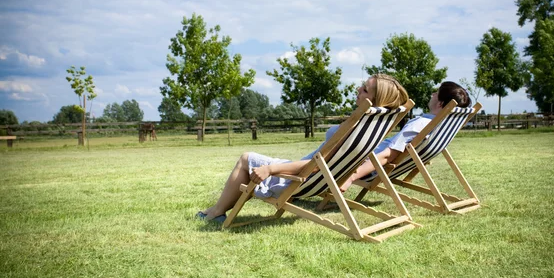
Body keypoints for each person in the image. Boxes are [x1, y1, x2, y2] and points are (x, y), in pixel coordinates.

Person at [197, 73, 409, 222]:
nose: (358, 90)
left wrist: (270, 170)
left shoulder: (354, 126)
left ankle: (216, 212)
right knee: (254, 160)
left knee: (246, 158)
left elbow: (316, 165)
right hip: (317, 180)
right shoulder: (371, 127)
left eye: (364, 89)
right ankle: (215, 210)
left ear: (375, 100)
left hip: (298, 178)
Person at [340, 80, 471, 192]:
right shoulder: (439, 128)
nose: (432, 94)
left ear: (440, 104)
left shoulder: (420, 125)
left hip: (365, 163)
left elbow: (388, 154)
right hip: (372, 162)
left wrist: (351, 177)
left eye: (436, 93)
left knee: (335, 133)